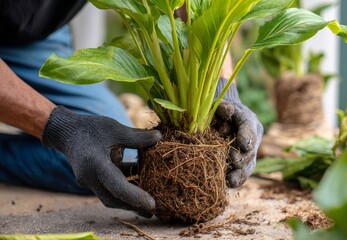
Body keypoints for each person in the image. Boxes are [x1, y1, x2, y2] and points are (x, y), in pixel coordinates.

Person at [0, 1, 263, 217]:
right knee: (83, 151)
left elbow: (201, 8)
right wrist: (63, 130)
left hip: (36, 34)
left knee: (109, 160)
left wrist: (223, 92)